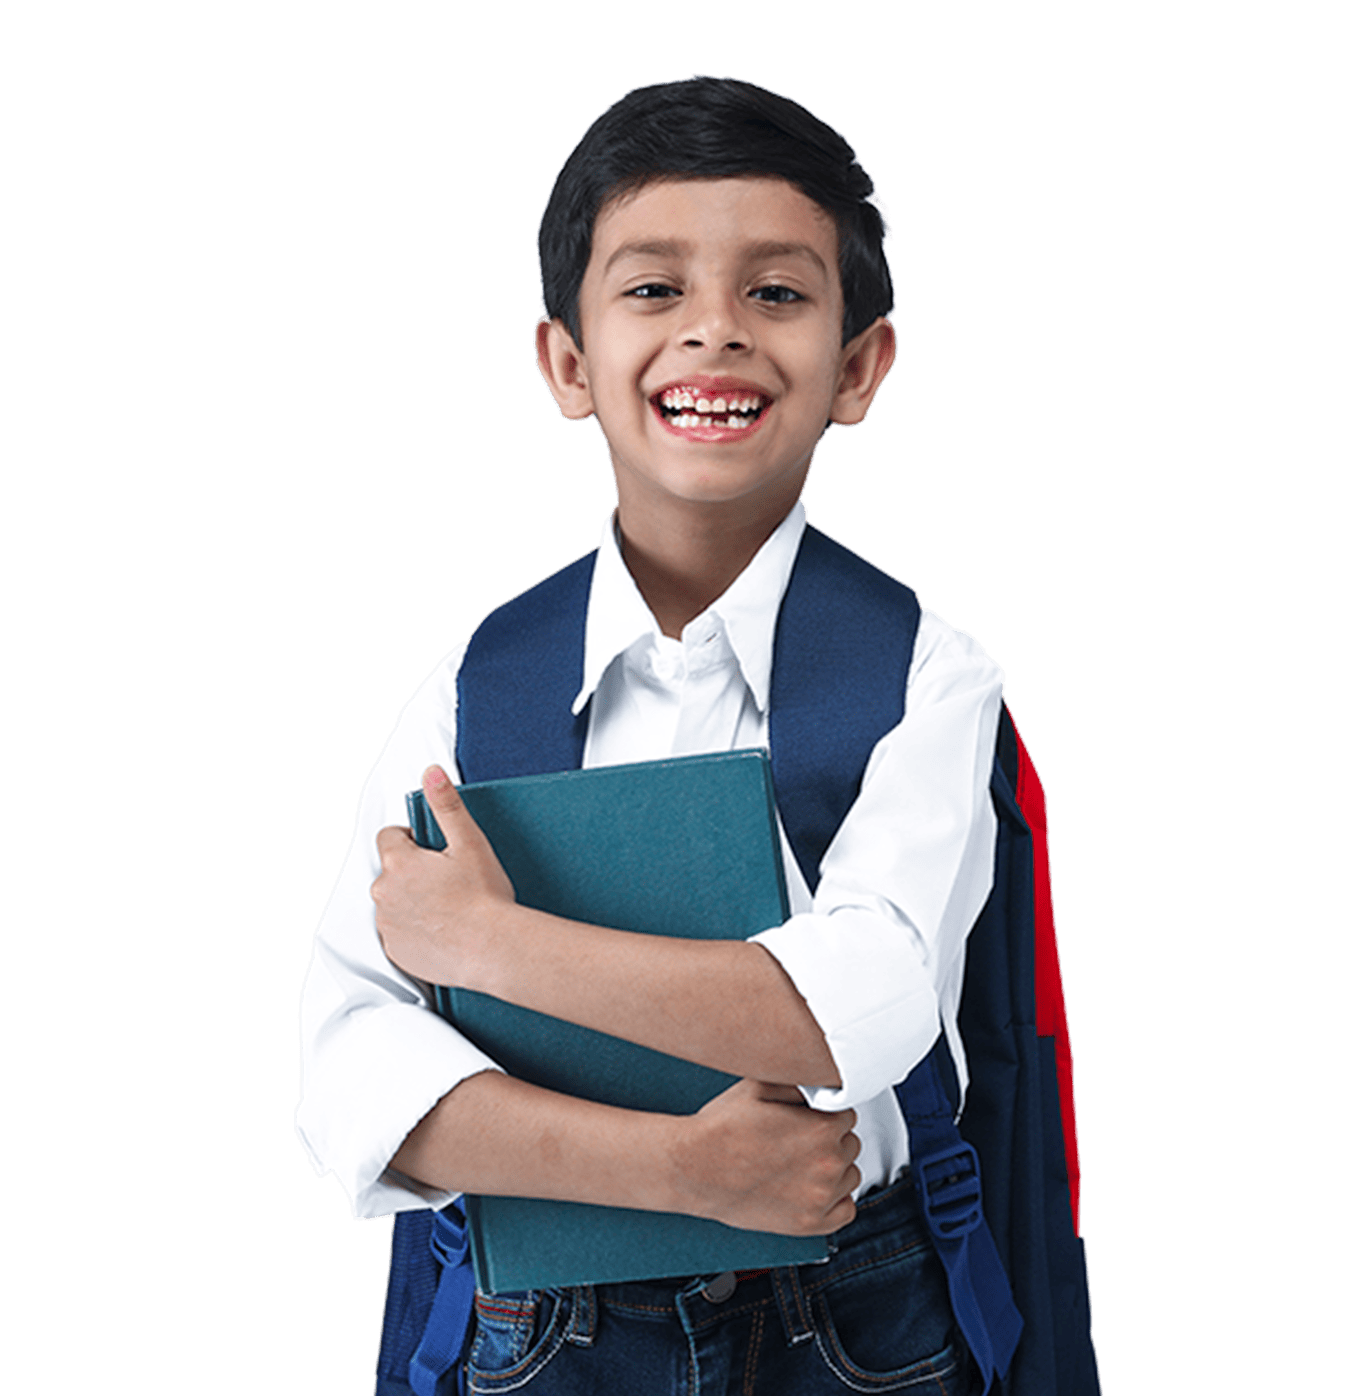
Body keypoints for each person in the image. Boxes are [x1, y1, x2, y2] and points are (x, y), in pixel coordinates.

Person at [297, 75, 1094, 1395]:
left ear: (859, 365)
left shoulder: (926, 678)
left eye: (775, 292)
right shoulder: (470, 692)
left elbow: (853, 1013)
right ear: (567, 362)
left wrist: (486, 944)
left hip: (856, 1325)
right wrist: (679, 1171)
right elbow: (355, 1074)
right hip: (544, 1334)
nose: (713, 333)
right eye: (653, 290)